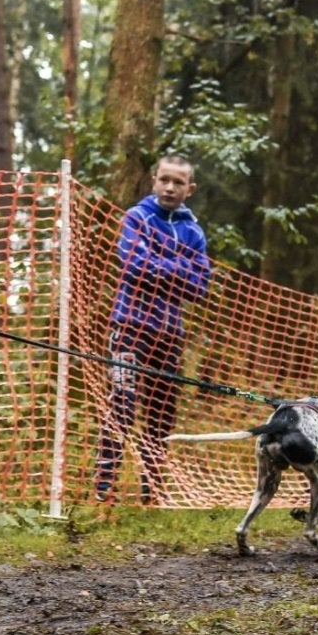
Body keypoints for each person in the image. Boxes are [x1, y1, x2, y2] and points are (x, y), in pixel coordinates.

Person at [95, 155, 211, 506]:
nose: (170, 187)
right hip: (130, 327)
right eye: (165, 180)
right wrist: (179, 267)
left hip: (169, 334)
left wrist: (163, 267)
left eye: (178, 182)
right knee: (122, 405)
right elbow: (133, 266)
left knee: (161, 413)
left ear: (189, 189)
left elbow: (200, 285)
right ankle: (104, 487)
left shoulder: (194, 232)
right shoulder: (137, 218)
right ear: (153, 180)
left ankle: (153, 490)